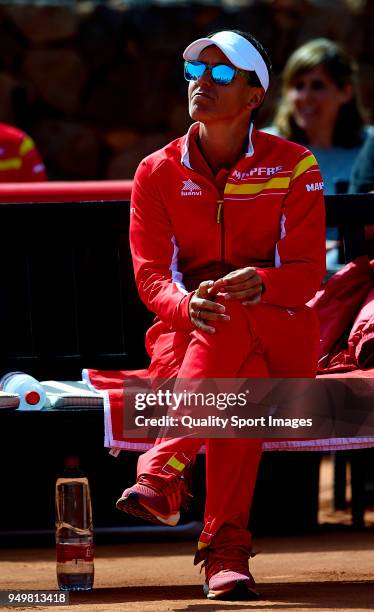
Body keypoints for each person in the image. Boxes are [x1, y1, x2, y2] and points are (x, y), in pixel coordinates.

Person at [116, 30, 326, 601]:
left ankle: (162, 470)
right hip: (188, 337)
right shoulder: (155, 170)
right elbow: (152, 278)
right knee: (243, 380)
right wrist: (188, 304)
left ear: (255, 96)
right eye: (194, 71)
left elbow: (308, 274)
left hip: (283, 331)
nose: (201, 83)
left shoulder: (296, 162)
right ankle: (226, 553)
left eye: (223, 74)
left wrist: (262, 282)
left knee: (231, 323)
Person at [263, 38, 371, 195]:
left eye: (317, 85)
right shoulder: (264, 148)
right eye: (298, 86)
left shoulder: (369, 148)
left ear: (345, 92)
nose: (306, 96)